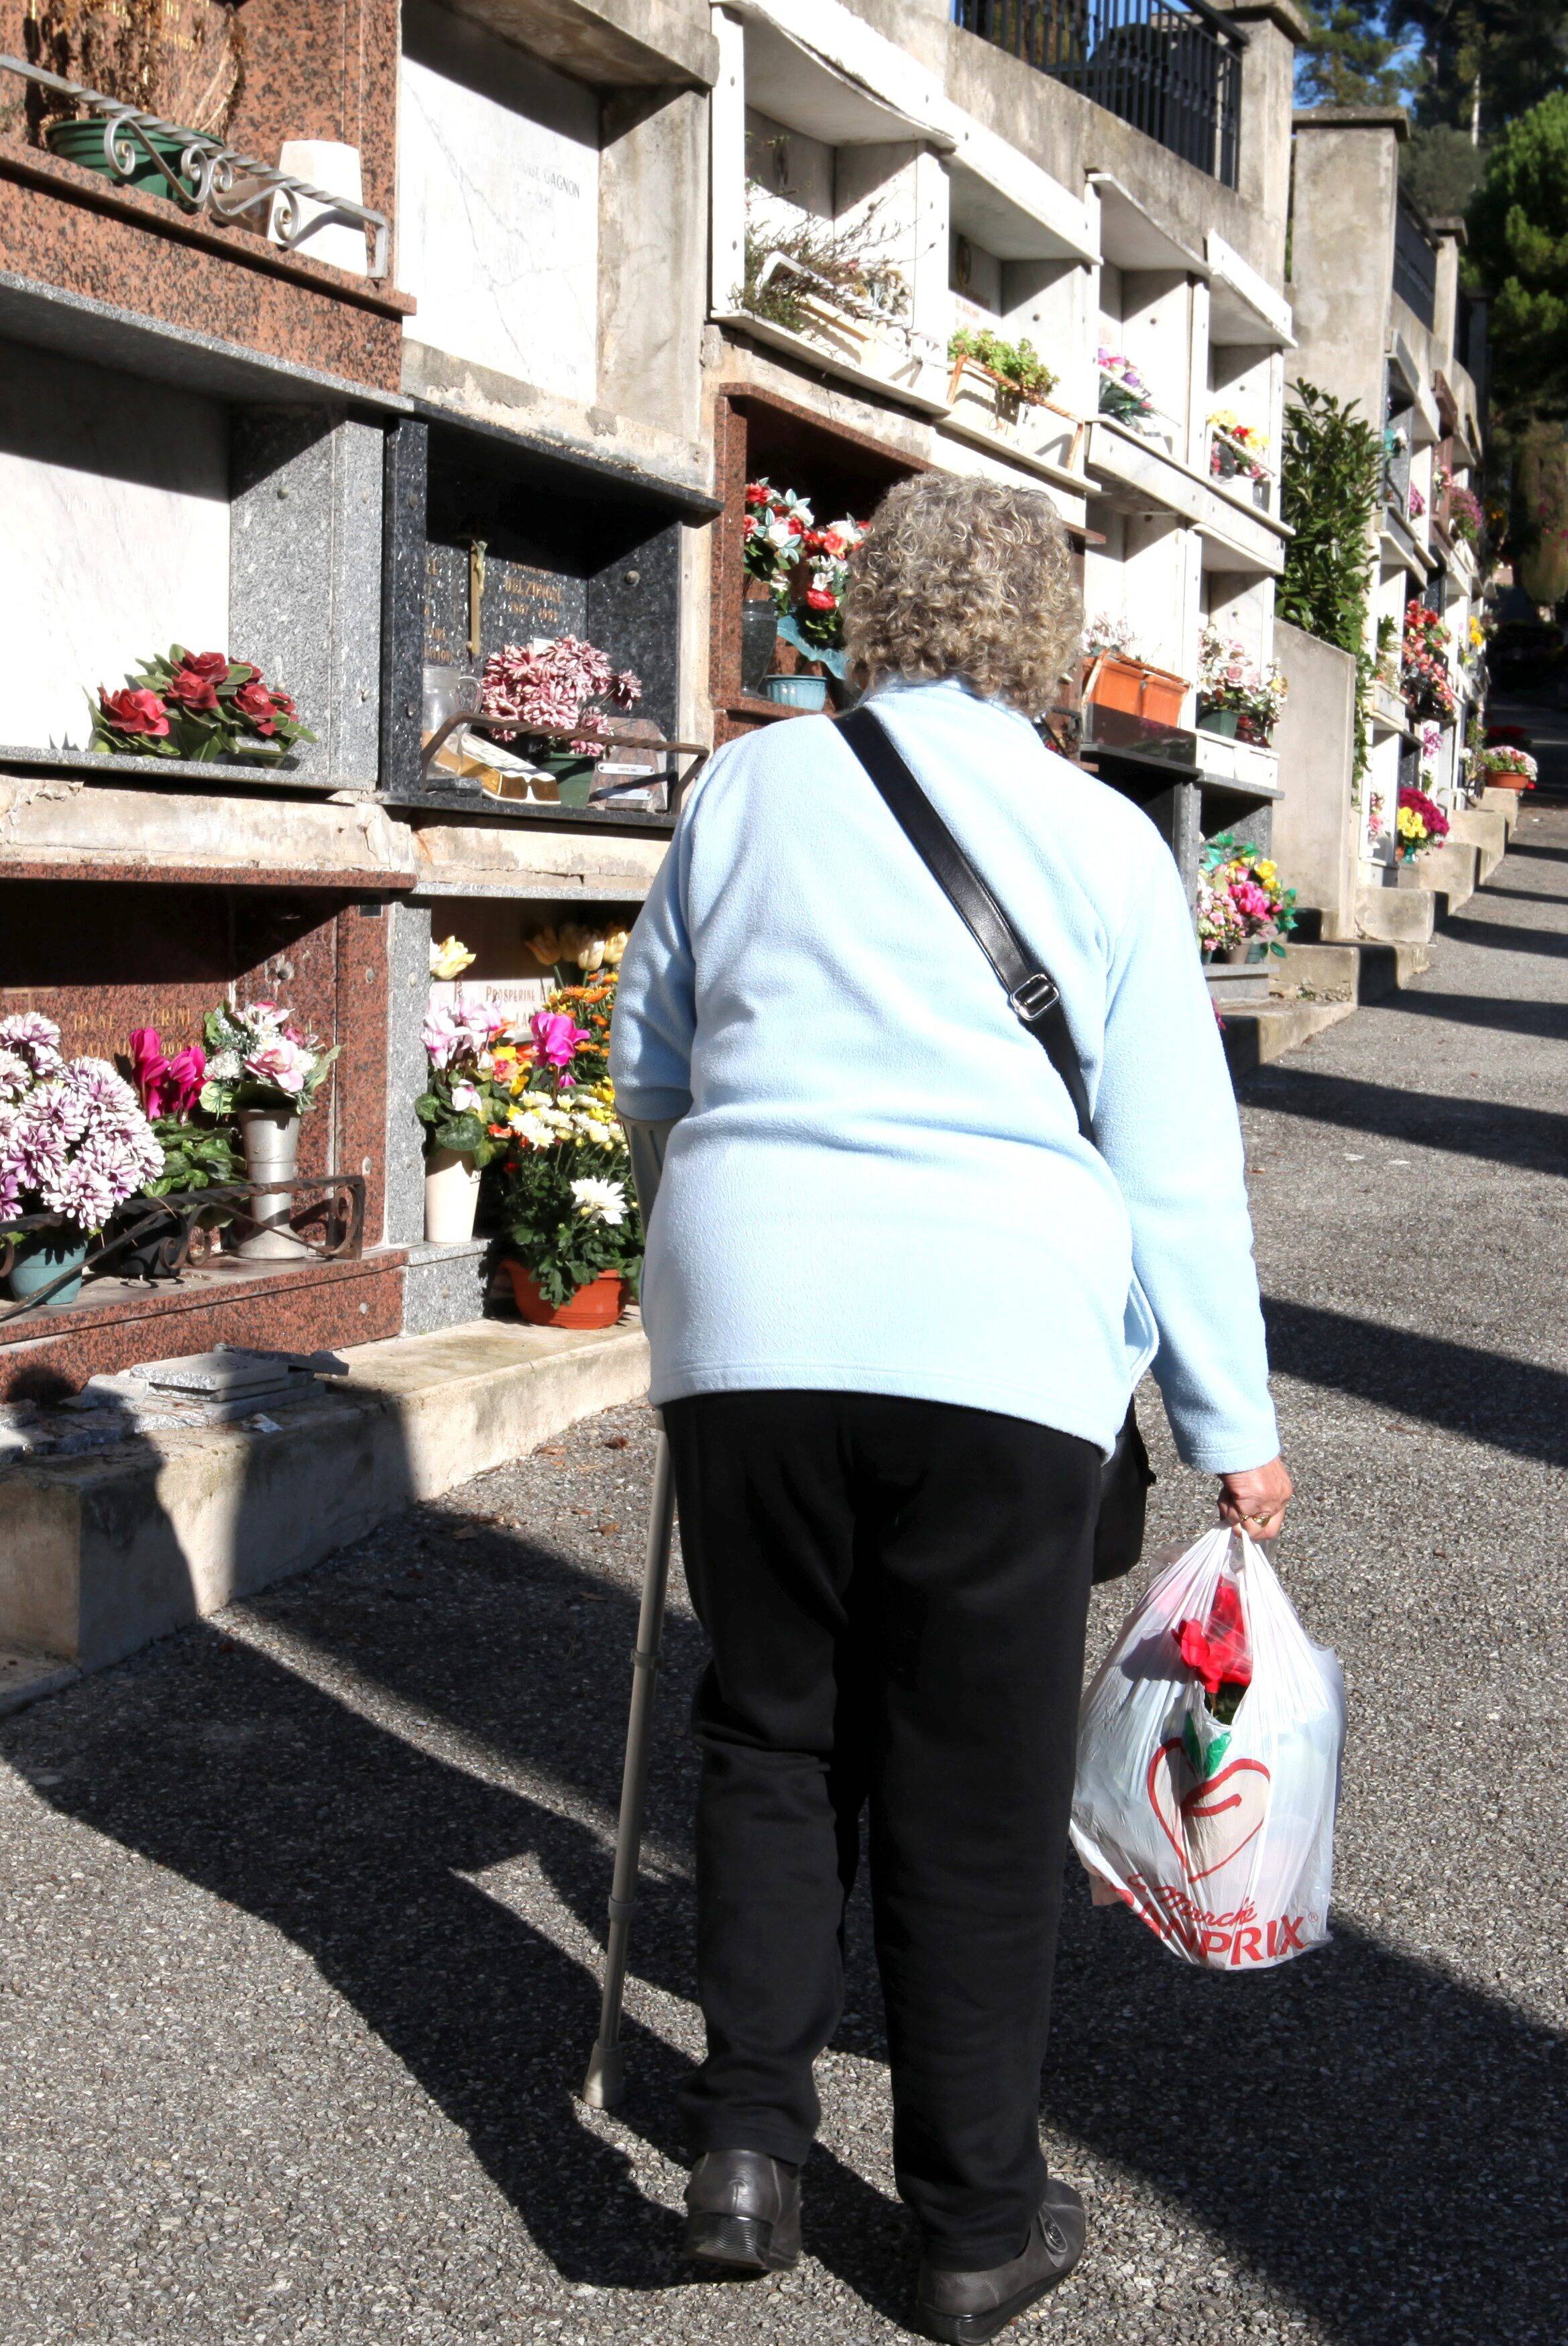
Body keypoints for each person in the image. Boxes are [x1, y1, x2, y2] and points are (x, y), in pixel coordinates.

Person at [611, 469, 1290, 2344]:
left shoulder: (743, 788)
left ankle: (743, 2140)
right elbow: (1174, 1164)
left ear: (874, 619)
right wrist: (1235, 1426)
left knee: (769, 1727)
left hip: (749, 1318)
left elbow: (648, 1063)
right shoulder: (1100, 838)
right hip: (1001, 1340)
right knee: (971, 1782)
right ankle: (978, 2221)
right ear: (1047, 649)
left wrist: (706, 1241)